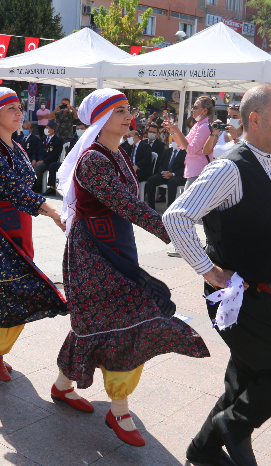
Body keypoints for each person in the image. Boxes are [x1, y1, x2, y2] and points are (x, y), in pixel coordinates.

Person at [163, 84, 271, 466]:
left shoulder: (268, 162)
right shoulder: (229, 167)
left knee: (246, 376)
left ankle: (204, 447)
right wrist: (209, 270)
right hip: (237, 298)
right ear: (255, 119)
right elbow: (176, 217)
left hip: (262, 294)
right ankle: (232, 425)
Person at [53, 89, 208, 446]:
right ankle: (119, 409)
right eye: (119, 111)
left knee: (93, 322)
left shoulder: (118, 152)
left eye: (128, 110)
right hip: (93, 253)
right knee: (123, 322)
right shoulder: (93, 159)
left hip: (116, 245)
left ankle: (62, 385)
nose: (129, 116)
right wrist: (175, 234)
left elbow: (129, 204)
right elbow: (127, 204)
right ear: (99, 119)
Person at [0, 87, 68, 382]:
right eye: (11, 109)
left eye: (19, 108)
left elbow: (23, 187)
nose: (19, 113)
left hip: (17, 223)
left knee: (12, 283)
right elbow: (13, 188)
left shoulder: (15, 146)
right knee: (9, 286)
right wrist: (51, 211)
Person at [163, 96, 215, 190]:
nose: (192, 110)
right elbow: (182, 145)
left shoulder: (204, 127)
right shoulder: (197, 126)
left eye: (195, 107)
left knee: (190, 203)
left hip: (199, 171)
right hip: (192, 171)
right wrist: (172, 131)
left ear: (204, 110)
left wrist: (178, 131)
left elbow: (190, 150)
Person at [44, 121, 87, 195]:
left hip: (82, 163)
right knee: (53, 165)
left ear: (86, 129)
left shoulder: (89, 140)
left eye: (81, 129)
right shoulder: (74, 140)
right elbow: (69, 153)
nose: (79, 131)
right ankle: (52, 188)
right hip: (71, 163)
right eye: (77, 129)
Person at [145, 142, 186, 209]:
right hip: (165, 174)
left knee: (172, 182)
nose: (175, 142)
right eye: (173, 140)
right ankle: (151, 206)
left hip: (177, 175)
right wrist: (162, 172)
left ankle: (170, 207)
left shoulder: (185, 152)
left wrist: (173, 174)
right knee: (151, 180)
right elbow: (160, 164)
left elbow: (185, 168)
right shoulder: (167, 151)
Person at [32, 120, 63, 192]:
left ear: (52, 130)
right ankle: (33, 184)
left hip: (48, 162)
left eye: (47, 127)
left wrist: (43, 161)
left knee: (38, 168)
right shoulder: (42, 139)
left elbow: (55, 154)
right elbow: (35, 150)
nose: (45, 129)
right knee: (27, 165)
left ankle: (39, 186)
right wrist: (33, 159)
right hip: (38, 160)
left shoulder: (58, 141)